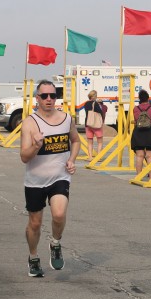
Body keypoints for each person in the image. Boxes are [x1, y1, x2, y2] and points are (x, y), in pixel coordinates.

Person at [20, 80, 80, 278]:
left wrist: (71, 159)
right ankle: (33, 257)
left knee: (59, 214)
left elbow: (75, 141)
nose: (49, 99)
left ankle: (55, 243)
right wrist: (36, 146)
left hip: (60, 177)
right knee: (35, 224)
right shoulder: (30, 123)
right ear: (37, 98)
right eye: (44, 96)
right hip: (35, 181)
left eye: (53, 96)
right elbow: (24, 157)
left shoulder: (66, 119)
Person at [130, 89, 151, 178]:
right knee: (150, 156)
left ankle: (139, 177)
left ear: (139, 99)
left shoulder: (136, 109)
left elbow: (136, 120)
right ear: (148, 98)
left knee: (139, 156)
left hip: (139, 132)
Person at [82, 90, 107, 156]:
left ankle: (90, 156)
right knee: (100, 142)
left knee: (90, 142)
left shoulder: (86, 104)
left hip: (88, 124)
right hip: (96, 125)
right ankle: (99, 156)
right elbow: (101, 112)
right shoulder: (95, 104)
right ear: (94, 96)